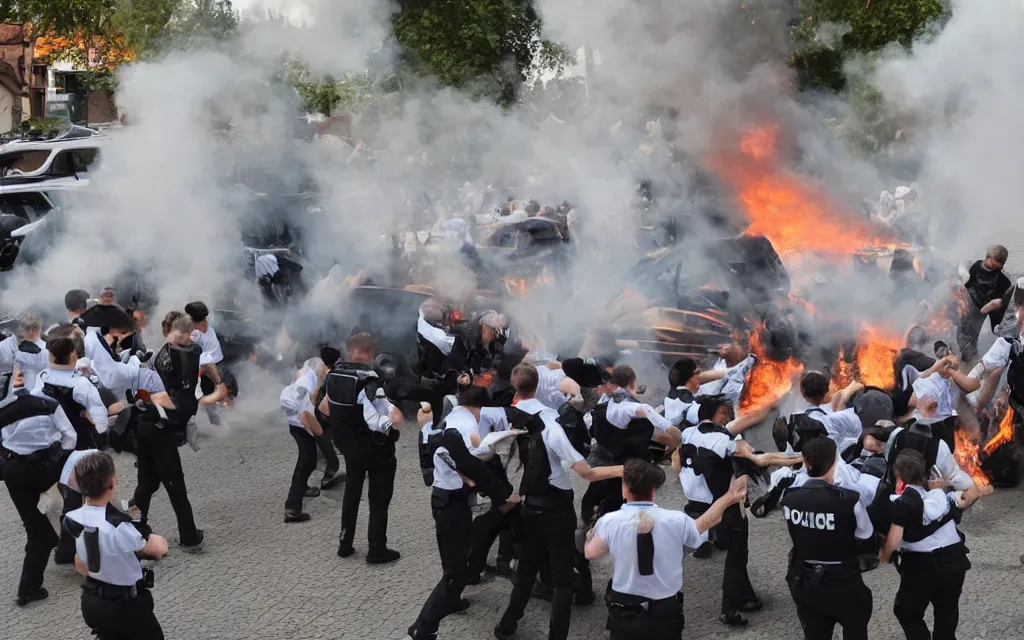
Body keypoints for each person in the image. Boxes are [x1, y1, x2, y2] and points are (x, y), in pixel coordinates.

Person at [494, 363, 626, 640]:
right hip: (556, 506)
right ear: (539, 384)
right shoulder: (550, 425)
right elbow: (585, 472)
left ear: (514, 384)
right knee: (563, 577)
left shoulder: (507, 417)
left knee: (528, 568)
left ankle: (507, 625)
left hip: (528, 503)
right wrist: (624, 469)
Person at [584, 459, 748, 639]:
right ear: (653, 490)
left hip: (625, 613)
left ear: (625, 489)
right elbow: (707, 521)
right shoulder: (676, 520)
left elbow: (591, 553)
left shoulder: (609, 522)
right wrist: (730, 497)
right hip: (665, 613)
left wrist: (589, 537)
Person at [407, 386, 520, 640]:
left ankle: (452, 600)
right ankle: (423, 627)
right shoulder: (465, 429)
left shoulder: (446, 420)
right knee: (456, 571)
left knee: (452, 562)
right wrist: (502, 494)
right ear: (479, 409)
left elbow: (435, 456)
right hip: (452, 505)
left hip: (441, 499)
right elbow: (472, 466)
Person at [672, 395, 779, 626]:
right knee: (737, 555)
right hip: (722, 506)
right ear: (711, 415)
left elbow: (676, 463)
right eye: (723, 413)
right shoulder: (721, 438)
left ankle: (747, 596)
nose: (727, 416)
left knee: (737, 552)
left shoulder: (689, 434)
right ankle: (729, 609)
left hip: (696, 504)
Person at [131, 312, 223, 552]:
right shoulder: (183, 356)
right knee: (175, 484)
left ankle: (133, 529)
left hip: (146, 423)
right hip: (159, 426)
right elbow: (181, 401)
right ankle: (189, 535)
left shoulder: (161, 354)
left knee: (146, 483)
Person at [64, 451, 169, 639]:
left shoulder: (71, 519)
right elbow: (157, 549)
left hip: (92, 599)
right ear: (112, 483)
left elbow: (80, 563)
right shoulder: (119, 526)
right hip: (123, 603)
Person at [319, 332, 403, 563]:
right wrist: (392, 425)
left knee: (352, 492)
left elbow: (324, 409)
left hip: (348, 447)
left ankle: (345, 542)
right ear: (367, 352)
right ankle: (377, 547)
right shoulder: (369, 380)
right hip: (375, 448)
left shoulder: (334, 374)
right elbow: (378, 418)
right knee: (378, 498)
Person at [781, 437, 875, 640]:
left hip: (805, 581)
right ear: (835, 463)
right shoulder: (849, 501)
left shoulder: (789, 498)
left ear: (805, 463)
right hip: (844, 581)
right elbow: (865, 534)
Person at [881, 449, 977, 640]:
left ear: (898, 475)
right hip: (954, 560)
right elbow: (970, 495)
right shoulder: (943, 498)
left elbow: (894, 540)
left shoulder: (904, 504)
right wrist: (945, 483)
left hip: (921, 566)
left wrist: (885, 555)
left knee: (907, 612)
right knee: (947, 609)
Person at [0, 379, 77, 605]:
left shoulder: (4, 410)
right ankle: (28, 588)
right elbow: (70, 437)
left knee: (34, 522)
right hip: (46, 467)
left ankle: (31, 582)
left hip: (14, 470)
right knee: (47, 527)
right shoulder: (49, 404)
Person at [33, 336, 108, 451]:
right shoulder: (82, 384)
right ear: (73, 355)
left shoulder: (40, 377)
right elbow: (100, 420)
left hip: (48, 442)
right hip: (78, 445)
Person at [280, 358, 328, 523]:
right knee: (307, 461)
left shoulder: (306, 374)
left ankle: (304, 487)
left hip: (296, 422)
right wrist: (313, 429)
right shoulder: (306, 383)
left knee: (307, 458)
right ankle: (292, 508)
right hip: (300, 425)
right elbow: (303, 410)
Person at [958, 245, 1011, 363]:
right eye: (996, 263)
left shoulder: (1003, 280)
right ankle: (968, 356)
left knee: (996, 330)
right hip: (974, 304)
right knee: (968, 330)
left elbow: (1004, 298)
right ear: (988, 257)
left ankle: (998, 356)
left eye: (1001, 264)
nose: (999, 267)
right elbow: (967, 283)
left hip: (991, 307)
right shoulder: (976, 267)